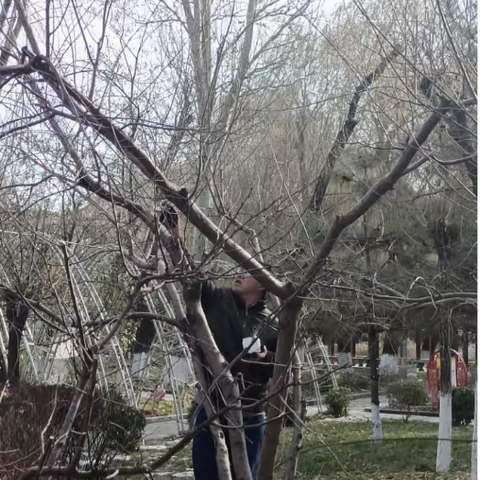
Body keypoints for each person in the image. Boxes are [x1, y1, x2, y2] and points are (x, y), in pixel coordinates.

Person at [159, 203, 277, 480]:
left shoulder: (273, 323)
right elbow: (190, 275)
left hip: (250, 415)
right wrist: (175, 238)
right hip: (209, 411)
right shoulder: (218, 300)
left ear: (262, 283)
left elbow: (280, 369)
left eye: (246, 271)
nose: (238, 273)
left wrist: (263, 358)